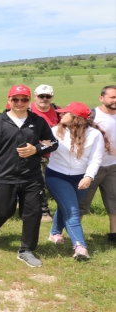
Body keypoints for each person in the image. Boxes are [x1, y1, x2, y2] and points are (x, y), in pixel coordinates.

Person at [0, 85, 58, 267]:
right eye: (15, 99)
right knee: (2, 211)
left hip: (31, 176)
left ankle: (26, 250)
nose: (19, 103)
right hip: (4, 175)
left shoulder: (37, 121)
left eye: (24, 99)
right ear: (9, 100)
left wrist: (35, 149)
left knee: (33, 213)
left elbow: (53, 143)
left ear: (29, 101)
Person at [46, 102, 109, 260]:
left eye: (65, 112)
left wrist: (88, 177)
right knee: (73, 210)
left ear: (76, 118)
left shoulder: (94, 135)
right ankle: (80, 247)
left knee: (66, 206)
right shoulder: (54, 131)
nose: (61, 114)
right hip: (56, 175)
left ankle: (54, 233)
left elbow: (96, 159)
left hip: (81, 178)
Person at [80, 85, 116, 246]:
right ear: (101, 98)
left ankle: (114, 234)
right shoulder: (92, 116)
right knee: (82, 202)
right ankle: (76, 236)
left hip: (113, 167)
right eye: (112, 97)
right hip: (91, 168)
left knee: (114, 202)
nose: (115, 101)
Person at [30, 84, 59, 223]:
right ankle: (44, 212)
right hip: (36, 152)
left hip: (56, 153)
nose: (44, 99)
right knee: (38, 182)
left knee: (56, 181)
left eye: (47, 96)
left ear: (52, 97)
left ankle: (64, 208)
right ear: (35, 96)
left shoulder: (57, 110)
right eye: (41, 96)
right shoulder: (28, 109)